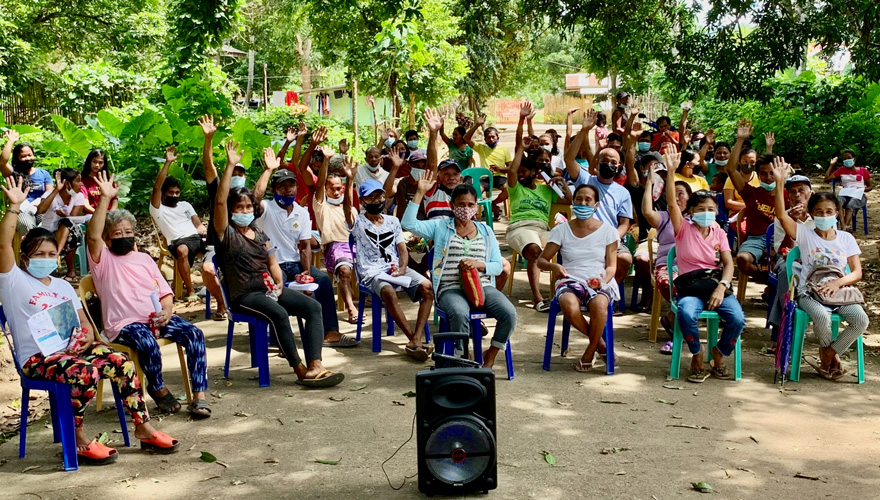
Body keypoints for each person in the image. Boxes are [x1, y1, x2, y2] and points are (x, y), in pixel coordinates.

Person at [0, 175, 180, 463]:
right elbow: (3, 247)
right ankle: (78, 437)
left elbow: (83, 321)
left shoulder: (61, 286)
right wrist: (14, 208)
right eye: (38, 254)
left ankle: (144, 429)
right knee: (87, 373)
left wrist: (86, 335)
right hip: (38, 358)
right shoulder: (13, 281)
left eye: (51, 253)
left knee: (121, 362)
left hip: (72, 350)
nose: (46, 258)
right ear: (24, 258)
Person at [215, 141, 344, 387]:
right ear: (231, 211)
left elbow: (272, 260)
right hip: (245, 295)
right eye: (238, 207)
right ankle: (300, 370)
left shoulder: (258, 233)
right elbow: (221, 202)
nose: (244, 210)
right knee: (280, 314)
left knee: (312, 308)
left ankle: (316, 363)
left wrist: (278, 282)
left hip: (269, 290)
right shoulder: (226, 233)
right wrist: (231, 167)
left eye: (246, 207)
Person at [85, 171, 211, 418]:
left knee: (194, 333)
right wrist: (104, 199)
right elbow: (92, 235)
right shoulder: (102, 260)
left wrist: (167, 312)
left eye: (128, 231)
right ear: (107, 239)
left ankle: (199, 397)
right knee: (146, 342)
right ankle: (159, 389)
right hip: (124, 325)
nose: (124, 236)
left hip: (154, 319)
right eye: (117, 233)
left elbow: (164, 292)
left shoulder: (143, 259)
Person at [403, 172, 516, 368]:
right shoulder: (440, 227)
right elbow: (408, 224)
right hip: (449, 287)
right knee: (459, 312)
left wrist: (479, 264)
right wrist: (420, 192)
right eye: (461, 205)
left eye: (470, 205)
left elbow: (498, 266)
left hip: (482, 286)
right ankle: (462, 356)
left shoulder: (486, 231)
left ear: (476, 206)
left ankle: (491, 353)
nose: (465, 209)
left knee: (509, 314)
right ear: (452, 206)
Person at [772, 157, 869, 379]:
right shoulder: (804, 234)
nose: (824, 216)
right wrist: (779, 184)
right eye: (819, 212)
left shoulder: (846, 239)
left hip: (840, 292)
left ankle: (828, 353)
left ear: (837, 213)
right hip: (810, 292)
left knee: (861, 320)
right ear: (812, 213)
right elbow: (780, 214)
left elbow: (856, 272)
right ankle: (832, 359)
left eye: (829, 212)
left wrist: (837, 282)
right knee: (822, 318)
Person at [253, 150, 356, 347]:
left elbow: (304, 246)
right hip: (271, 265)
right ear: (274, 189)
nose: (288, 190)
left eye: (291, 185)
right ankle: (278, 335)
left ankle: (331, 331)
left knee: (323, 280)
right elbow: (255, 197)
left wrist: (306, 272)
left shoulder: (301, 212)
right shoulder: (266, 208)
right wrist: (268, 170)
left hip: (294, 264)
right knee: (278, 286)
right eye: (282, 187)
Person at [665, 150, 744, 382]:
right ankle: (697, 354)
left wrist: (722, 286)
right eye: (700, 209)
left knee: (737, 319)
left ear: (717, 211)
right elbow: (671, 203)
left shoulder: (719, 232)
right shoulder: (683, 229)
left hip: (715, 284)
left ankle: (719, 353)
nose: (706, 213)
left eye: (710, 209)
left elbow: (729, 264)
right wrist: (671, 172)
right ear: (690, 212)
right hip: (690, 287)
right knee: (687, 314)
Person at [346, 178, 434, 361]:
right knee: (389, 292)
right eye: (372, 197)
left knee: (427, 287)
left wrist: (402, 268)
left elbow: (402, 250)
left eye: (380, 196)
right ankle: (413, 340)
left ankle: (416, 337)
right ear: (362, 201)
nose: (377, 200)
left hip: (395, 268)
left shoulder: (393, 221)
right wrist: (349, 180)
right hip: (372, 272)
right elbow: (347, 207)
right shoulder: (358, 222)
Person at [537, 184, 619, 372]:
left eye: (587, 200)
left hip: (598, 279)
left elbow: (611, 266)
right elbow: (541, 260)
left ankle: (590, 352)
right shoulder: (561, 230)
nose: (582, 203)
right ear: (573, 202)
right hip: (570, 279)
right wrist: (554, 266)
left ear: (596, 205)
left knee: (599, 305)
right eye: (579, 199)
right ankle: (601, 345)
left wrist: (603, 280)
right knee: (568, 304)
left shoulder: (608, 231)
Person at [565, 110, 635, 303]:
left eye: (614, 162)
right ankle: (579, 293)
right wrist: (584, 131)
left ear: (619, 167)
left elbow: (624, 223)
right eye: (605, 161)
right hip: (583, 236)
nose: (609, 164)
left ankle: (605, 293)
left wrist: (612, 238)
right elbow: (569, 159)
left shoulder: (623, 192)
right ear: (597, 163)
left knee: (625, 259)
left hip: (610, 239)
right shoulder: (586, 180)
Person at [505, 143, 571, 311]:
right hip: (520, 228)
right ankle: (538, 298)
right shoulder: (515, 188)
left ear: (533, 172)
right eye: (518, 171)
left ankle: (564, 293)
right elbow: (511, 172)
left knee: (568, 247)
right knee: (534, 251)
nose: (520, 175)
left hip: (542, 229)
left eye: (524, 171)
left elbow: (569, 201)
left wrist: (562, 182)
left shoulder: (546, 190)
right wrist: (521, 148)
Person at [197, 114, 250, 321]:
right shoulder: (218, 192)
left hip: (241, 246)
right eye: (233, 170)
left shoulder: (247, 199)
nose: (236, 174)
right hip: (215, 246)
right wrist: (208, 139)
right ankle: (221, 302)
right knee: (208, 269)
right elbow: (209, 167)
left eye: (240, 172)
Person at [726, 119, 784, 283]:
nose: (768, 177)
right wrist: (740, 140)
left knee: (785, 261)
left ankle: (774, 287)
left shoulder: (787, 195)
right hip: (756, 238)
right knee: (743, 259)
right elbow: (731, 169)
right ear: (758, 175)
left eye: (772, 173)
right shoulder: (751, 192)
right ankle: (771, 282)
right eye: (763, 173)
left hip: (781, 238)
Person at [643, 168, 693, 354]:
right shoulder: (664, 218)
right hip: (667, 266)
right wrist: (649, 183)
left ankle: (672, 319)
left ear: (690, 198)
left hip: (692, 268)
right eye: (673, 194)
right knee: (672, 285)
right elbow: (647, 211)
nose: (677, 198)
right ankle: (677, 335)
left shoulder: (697, 220)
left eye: (681, 194)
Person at [149, 145, 207, 301]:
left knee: (223, 244)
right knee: (182, 251)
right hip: (178, 241)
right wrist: (167, 163)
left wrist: (204, 231)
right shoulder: (158, 208)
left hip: (197, 237)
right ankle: (190, 291)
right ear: (163, 194)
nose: (174, 195)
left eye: (177, 192)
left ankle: (214, 285)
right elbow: (156, 187)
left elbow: (198, 223)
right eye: (170, 192)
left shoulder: (185, 205)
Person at [314, 147, 360, 324]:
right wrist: (326, 160)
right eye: (332, 189)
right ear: (325, 190)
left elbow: (349, 208)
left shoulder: (352, 209)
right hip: (335, 246)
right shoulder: (322, 207)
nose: (337, 192)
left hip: (355, 246)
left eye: (340, 189)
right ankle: (351, 308)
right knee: (344, 270)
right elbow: (318, 185)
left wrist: (350, 179)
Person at [767, 174, 813, 349]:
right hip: (789, 260)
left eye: (802, 190)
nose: (797, 195)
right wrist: (792, 223)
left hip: (815, 262)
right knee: (787, 272)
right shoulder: (782, 217)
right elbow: (782, 251)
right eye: (792, 192)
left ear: (811, 193)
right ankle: (785, 330)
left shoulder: (822, 216)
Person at [36, 168, 89, 282]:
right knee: (68, 227)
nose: (81, 184)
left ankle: (56, 256)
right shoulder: (50, 194)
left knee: (68, 224)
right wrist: (56, 190)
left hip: (67, 232)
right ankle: (69, 270)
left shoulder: (78, 196)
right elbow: (40, 210)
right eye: (78, 181)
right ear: (67, 183)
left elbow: (72, 218)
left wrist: (64, 215)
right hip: (47, 231)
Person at [464, 114, 512, 219]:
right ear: (485, 139)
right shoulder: (481, 148)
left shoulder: (504, 149)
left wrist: (500, 168)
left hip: (499, 177)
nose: (491, 139)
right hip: (485, 178)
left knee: (510, 189)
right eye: (488, 137)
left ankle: (493, 204)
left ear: (497, 137)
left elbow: (511, 168)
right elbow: (466, 138)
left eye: (493, 137)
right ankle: (474, 214)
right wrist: (477, 125)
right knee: (473, 192)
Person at [824, 149, 871, 230]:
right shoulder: (841, 170)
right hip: (845, 194)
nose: (846, 160)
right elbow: (826, 179)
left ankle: (845, 227)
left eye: (848, 158)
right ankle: (843, 225)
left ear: (854, 159)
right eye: (845, 159)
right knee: (839, 202)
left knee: (851, 205)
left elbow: (870, 186)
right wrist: (831, 165)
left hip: (858, 195)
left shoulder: (863, 170)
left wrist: (862, 189)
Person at [0, 130, 53, 202]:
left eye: (30, 155)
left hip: (41, 209)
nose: (28, 158)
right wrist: (10, 141)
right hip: (19, 210)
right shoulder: (13, 173)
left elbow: (49, 194)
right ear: (17, 159)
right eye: (23, 156)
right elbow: (3, 162)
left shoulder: (44, 174)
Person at [722, 146, 759, 219]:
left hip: (758, 214)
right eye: (745, 161)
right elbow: (729, 203)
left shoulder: (760, 178)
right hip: (737, 215)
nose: (748, 164)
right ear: (739, 161)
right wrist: (751, 207)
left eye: (752, 162)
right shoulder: (731, 179)